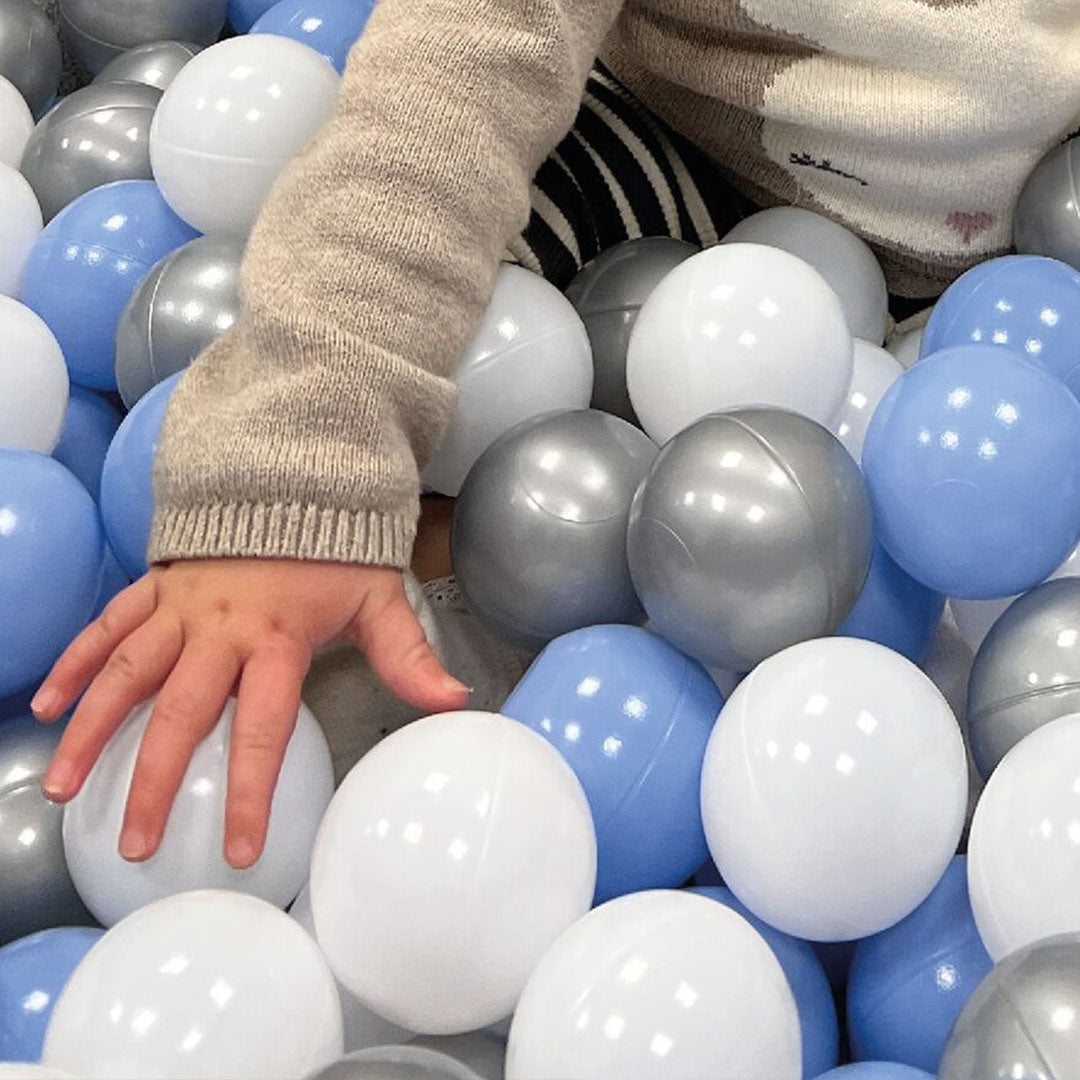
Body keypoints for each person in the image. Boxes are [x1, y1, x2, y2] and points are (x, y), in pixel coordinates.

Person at [31, 0, 1080, 869]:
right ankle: (438, 669)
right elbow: (454, 79)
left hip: (1042, 226)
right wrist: (303, 460)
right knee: (461, 316)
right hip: (690, 149)